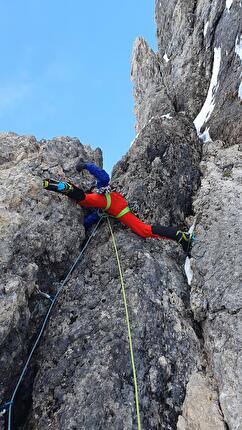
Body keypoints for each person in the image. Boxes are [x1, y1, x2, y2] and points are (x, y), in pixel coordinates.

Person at [43, 161, 195, 255]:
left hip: (117, 208)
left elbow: (90, 217)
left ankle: (62, 187)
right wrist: (85, 166)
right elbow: (103, 177)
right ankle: (180, 236)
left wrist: (84, 225)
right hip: (121, 206)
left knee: (84, 200)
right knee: (144, 229)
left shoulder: (99, 202)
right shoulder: (103, 190)